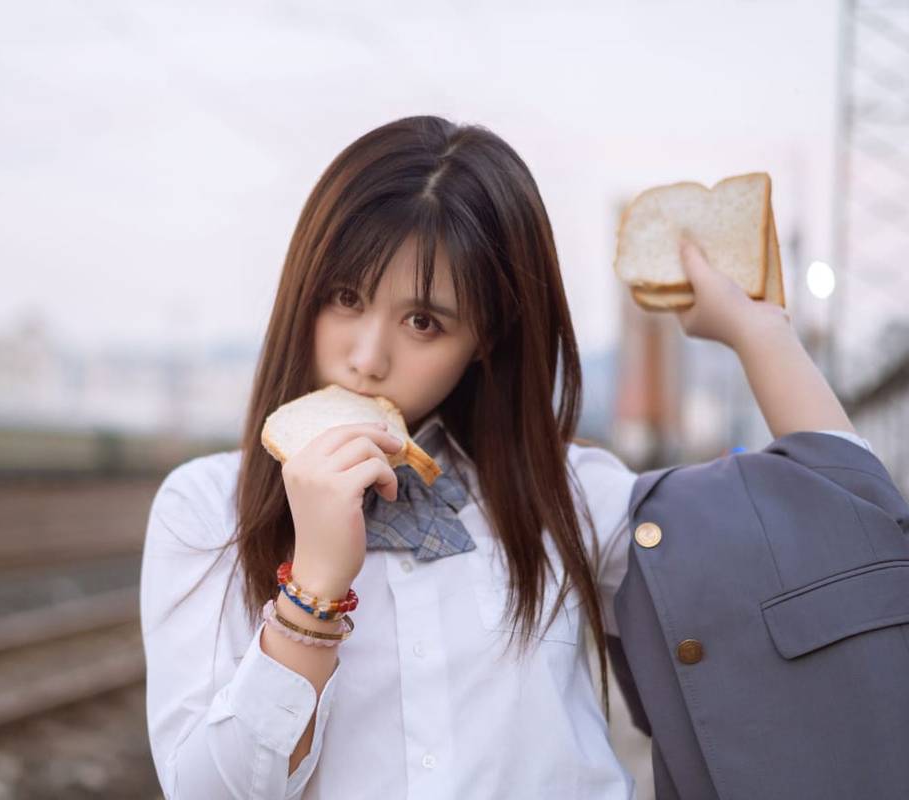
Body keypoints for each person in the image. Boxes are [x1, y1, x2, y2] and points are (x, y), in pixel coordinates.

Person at [139, 115, 874, 799]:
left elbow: (839, 523)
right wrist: (313, 591)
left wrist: (760, 332)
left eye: (423, 321)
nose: (366, 358)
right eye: (345, 297)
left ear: (485, 339)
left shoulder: (563, 494)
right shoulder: (205, 510)